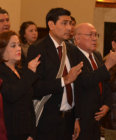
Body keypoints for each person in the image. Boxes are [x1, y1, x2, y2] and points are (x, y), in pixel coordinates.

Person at [27, 8, 83, 140]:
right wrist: (64, 80)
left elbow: (77, 87)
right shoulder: (38, 48)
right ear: (51, 25)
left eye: (70, 23)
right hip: (47, 120)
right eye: (64, 23)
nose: (69, 27)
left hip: (69, 119)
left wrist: (77, 117)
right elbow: (34, 88)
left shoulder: (71, 50)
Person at [0, 30, 40, 140]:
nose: (18, 48)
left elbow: (29, 105)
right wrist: (30, 72)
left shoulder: (21, 71)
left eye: (19, 45)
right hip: (10, 133)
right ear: (2, 49)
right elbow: (12, 95)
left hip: (26, 132)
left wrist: (32, 133)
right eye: (13, 46)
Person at [73, 23, 116, 140]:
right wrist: (107, 65)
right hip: (82, 115)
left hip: (97, 117)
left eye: (95, 35)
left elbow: (105, 82)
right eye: (90, 35)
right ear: (77, 38)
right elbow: (85, 81)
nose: (94, 38)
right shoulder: (73, 56)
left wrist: (107, 103)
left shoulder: (96, 55)